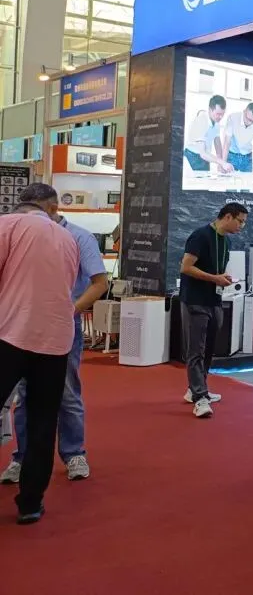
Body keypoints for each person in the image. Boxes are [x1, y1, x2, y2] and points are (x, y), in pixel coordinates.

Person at [1, 184, 109, 487]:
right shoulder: (21, 230)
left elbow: (100, 283)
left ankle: (74, 453)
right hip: (17, 327)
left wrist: (70, 311)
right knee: (23, 396)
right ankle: (22, 458)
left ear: (52, 208)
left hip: (61, 328)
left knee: (67, 393)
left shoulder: (78, 237)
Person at [0, 202, 79, 524]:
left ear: (20, 208)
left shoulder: (9, 224)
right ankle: (31, 503)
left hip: (10, 333)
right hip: (55, 340)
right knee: (43, 421)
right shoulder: (68, 237)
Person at [179, 202, 248, 417]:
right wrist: (214, 278)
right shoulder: (200, 236)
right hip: (195, 301)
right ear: (227, 217)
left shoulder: (226, 241)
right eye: (240, 221)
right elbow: (186, 267)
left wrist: (222, 279)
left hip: (214, 300)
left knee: (209, 349)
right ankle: (200, 398)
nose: (241, 226)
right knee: (196, 350)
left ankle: (196, 389)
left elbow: (216, 270)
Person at [184, 94, 232, 173]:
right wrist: (222, 163)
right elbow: (202, 153)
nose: (220, 117)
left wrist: (221, 164)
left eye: (222, 114)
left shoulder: (216, 123)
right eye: (218, 114)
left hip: (205, 158)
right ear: (210, 109)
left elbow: (218, 144)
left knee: (206, 179)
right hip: (192, 157)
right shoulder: (201, 121)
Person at [221, 102, 253, 173]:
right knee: (229, 179)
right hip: (232, 155)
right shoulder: (233, 118)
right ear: (244, 111)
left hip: (247, 157)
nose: (250, 123)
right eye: (248, 119)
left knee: (247, 179)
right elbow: (227, 142)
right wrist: (223, 163)